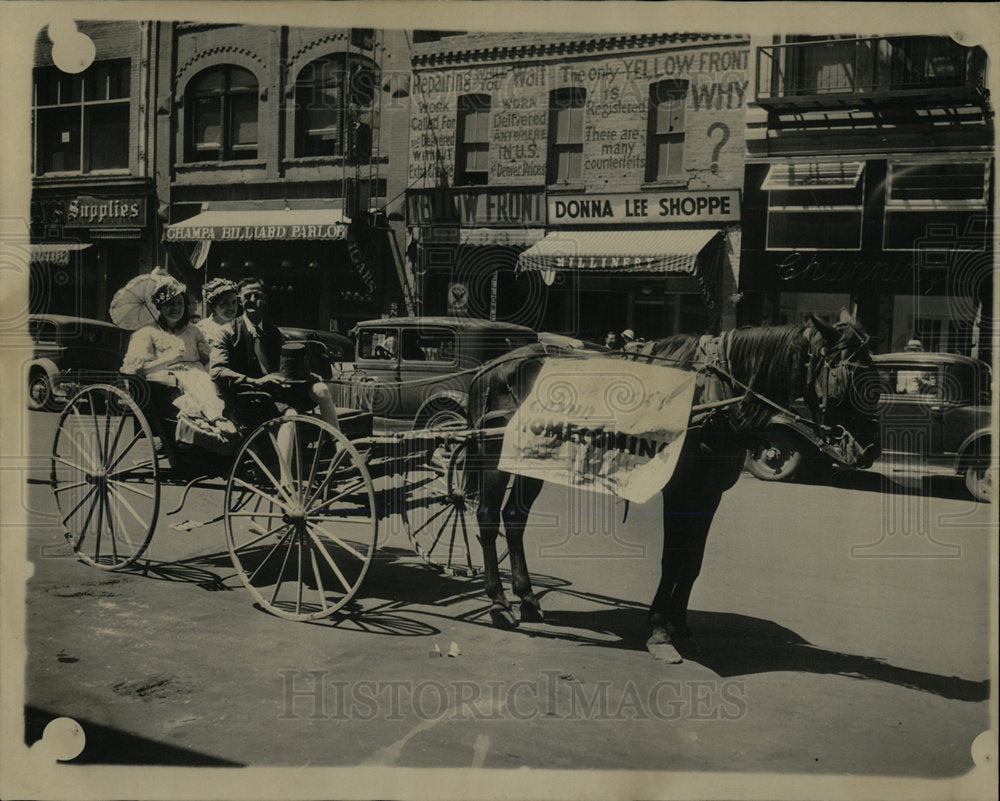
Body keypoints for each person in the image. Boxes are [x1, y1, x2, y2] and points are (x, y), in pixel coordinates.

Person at [209, 276, 339, 430]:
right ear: (240, 300)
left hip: (279, 391)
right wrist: (255, 381)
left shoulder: (274, 332)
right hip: (250, 397)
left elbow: (287, 366)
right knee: (290, 417)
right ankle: (285, 455)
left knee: (321, 389)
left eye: (257, 295)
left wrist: (306, 375)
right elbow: (216, 371)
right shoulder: (228, 332)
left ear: (264, 299)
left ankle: (338, 446)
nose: (252, 300)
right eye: (247, 296)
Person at [120, 275, 236, 445]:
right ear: (159, 307)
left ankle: (217, 422)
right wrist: (169, 358)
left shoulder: (193, 330)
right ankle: (200, 425)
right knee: (187, 383)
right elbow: (136, 371)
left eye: (179, 303)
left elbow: (207, 361)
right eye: (169, 304)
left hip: (198, 376)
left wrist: (206, 354)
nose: (175, 308)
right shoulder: (147, 332)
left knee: (208, 381)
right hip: (164, 383)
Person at [197, 277, 240, 347]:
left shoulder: (240, 326)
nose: (231, 307)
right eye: (225, 303)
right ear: (213, 307)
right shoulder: (201, 329)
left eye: (234, 302)